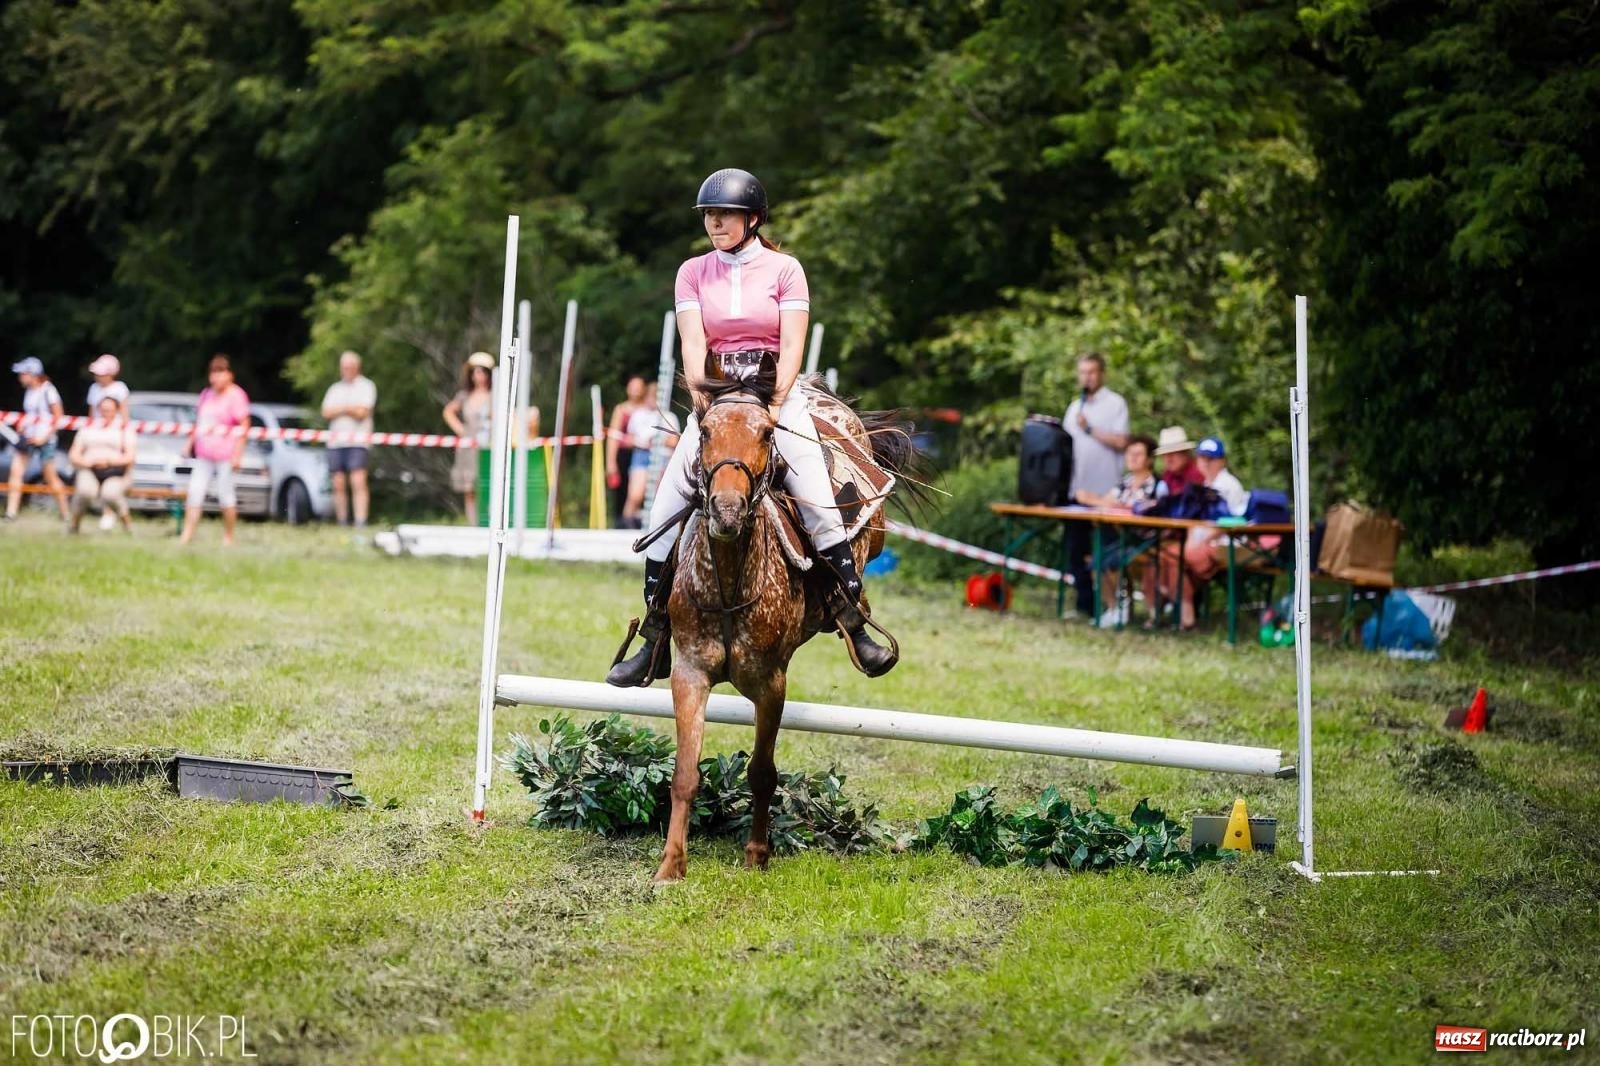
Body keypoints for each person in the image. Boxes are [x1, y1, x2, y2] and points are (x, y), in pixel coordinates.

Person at [607, 167, 896, 687]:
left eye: (724, 214)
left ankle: (855, 620)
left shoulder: (786, 270)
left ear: (753, 218)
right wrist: (702, 401)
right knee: (664, 510)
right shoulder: (691, 272)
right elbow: (694, 347)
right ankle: (655, 637)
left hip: (776, 397)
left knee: (817, 501)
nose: (714, 222)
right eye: (709, 215)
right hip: (717, 401)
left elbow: (791, 348)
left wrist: (778, 404)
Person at [1157, 436, 1250, 629]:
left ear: (1221, 460)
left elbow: (1232, 523)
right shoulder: (1205, 484)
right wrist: (1192, 540)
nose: (1206, 463)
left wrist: (1199, 542)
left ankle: (1185, 614)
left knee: (1175, 557)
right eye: (1202, 458)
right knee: (1165, 555)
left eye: (1211, 459)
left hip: (1225, 544)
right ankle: (1179, 609)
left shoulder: (1229, 485)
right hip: (1203, 542)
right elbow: (1195, 521)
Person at [1062, 353, 1129, 617]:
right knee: (1075, 551)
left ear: (1102, 374)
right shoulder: (1073, 408)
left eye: (1092, 372)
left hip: (1106, 493)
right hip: (1077, 492)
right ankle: (1086, 604)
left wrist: (1090, 429)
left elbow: (1123, 442)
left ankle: (1114, 605)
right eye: (1082, 372)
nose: (1087, 377)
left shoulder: (1115, 404)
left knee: (1108, 552)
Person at [1074, 434, 1167, 625]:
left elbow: (1132, 509)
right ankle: (1114, 607)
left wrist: (1097, 501)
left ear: (1150, 459)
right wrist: (1100, 501)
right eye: (1129, 453)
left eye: (1138, 454)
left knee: (1109, 559)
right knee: (1095, 558)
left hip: (1145, 541)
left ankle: (1121, 606)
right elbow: (1109, 503)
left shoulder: (1157, 486)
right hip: (1119, 537)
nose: (1132, 458)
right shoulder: (1125, 482)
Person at [180, 354, 250, 546]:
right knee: (195, 492)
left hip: (225, 455)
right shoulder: (206, 395)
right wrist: (189, 443)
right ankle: (186, 536)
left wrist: (238, 454)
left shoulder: (236, 396)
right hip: (204, 454)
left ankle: (228, 538)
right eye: (213, 373)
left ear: (229, 375)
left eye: (220, 373)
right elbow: (200, 423)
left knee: (225, 495)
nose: (215, 378)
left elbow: (244, 426)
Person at [5, 357, 71, 523]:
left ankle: (66, 514)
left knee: (50, 477)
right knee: (16, 472)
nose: (20, 376)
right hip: (28, 437)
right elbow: (31, 416)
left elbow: (59, 417)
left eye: (23, 373)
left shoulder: (49, 391)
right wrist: (23, 426)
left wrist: (45, 437)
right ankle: (11, 513)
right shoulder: (29, 391)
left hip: (45, 439)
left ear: (32, 374)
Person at [321, 350, 377, 527]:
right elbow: (326, 412)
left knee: (358, 481)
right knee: (338, 483)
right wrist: (349, 408)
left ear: (356, 367)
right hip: (336, 442)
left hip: (358, 442)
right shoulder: (335, 388)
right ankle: (342, 521)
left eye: (348, 367)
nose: (345, 370)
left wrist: (341, 409)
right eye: (343, 367)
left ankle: (361, 521)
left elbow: (362, 412)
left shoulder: (366, 386)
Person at [67, 394, 136, 534]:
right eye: (103, 409)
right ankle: (73, 527)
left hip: (115, 471)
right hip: (89, 469)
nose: (105, 413)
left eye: (109, 410)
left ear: (117, 410)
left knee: (110, 494)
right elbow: (74, 454)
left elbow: (130, 457)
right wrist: (86, 462)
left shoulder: (124, 429)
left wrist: (108, 462)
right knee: (85, 492)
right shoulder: (88, 428)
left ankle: (128, 527)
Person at [443, 352, 494, 525]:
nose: (478, 376)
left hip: (489, 445)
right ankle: (473, 525)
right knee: (469, 488)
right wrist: (461, 430)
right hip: (469, 446)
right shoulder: (464, 395)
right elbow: (448, 411)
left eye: (482, 371)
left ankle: (489, 523)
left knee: (488, 485)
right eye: (475, 371)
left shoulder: (496, 395)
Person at [620, 382, 677, 529]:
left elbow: (674, 441)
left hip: (663, 457)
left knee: (659, 496)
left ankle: (656, 527)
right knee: (635, 495)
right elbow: (628, 439)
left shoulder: (669, 417)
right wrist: (641, 441)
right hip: (642, 455)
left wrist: (658, 441)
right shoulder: (638, 415)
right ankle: (627, 525)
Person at [605, 375, 647, 526]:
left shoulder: (647, 409)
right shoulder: (621, 409)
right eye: (633, 387)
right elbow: (613, 437)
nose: (635, 391)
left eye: (638, 387)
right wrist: (610, 462)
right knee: (621, 490)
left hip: (641, 455)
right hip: (623, 456)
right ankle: (620, 524)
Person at [1153, 425, 1206, 497]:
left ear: (1185, 454)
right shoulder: (1166, 477)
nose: (1168, 459)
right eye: (1164, 455)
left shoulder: (1200, 474)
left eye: (1172, 453)